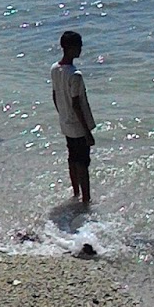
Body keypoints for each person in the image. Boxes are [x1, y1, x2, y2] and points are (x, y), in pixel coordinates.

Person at [52, 30, 97, 204]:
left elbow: (55, 95)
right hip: (78, 125)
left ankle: (76, 192)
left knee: (72, 158)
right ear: (71, 48)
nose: (81, 49)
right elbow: (77, 103)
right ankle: (86, 198)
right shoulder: (75, 75)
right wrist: (87, 131)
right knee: (83, 163)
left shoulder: (55, 69)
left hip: (66, 122)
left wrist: (62, 114)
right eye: (79, 46)